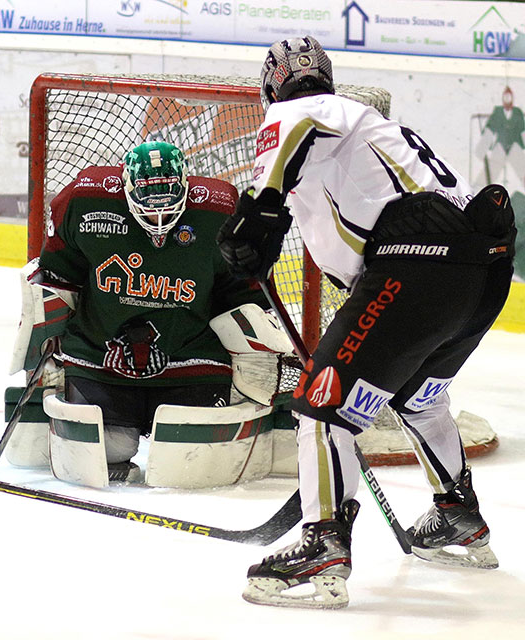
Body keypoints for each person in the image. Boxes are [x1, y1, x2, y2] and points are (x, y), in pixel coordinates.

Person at [216, 36, 517, 608]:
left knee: (323, 408)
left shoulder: (296, 111)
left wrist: (260, 210)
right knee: (418, 399)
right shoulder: (366, 129)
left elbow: (295, 131)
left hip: (415, 266)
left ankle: (323, 544)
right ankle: (457, 515)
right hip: (482, 273)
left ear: (270, 88)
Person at [21, 140, 288, 485]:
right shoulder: (85, 202)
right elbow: (58, 277)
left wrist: (256, 353)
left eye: (169, 204)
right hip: (101, 355)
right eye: (148, 205)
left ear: (186, 186)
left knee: (189, 460)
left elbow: (243, 293)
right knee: (109, 449)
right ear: (126, 187)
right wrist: (46, 336)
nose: (158, 217)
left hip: (191, 356)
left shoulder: (219, 212)